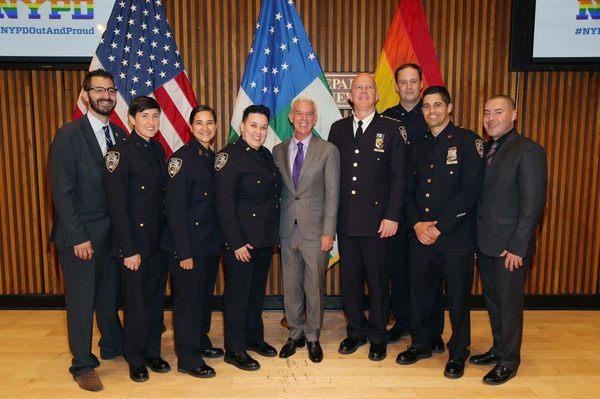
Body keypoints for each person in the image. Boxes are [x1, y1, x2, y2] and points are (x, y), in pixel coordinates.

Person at [396, 86, 484, 379]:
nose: (431, 111)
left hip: (454, 237)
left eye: (437, 105)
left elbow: (470, 191)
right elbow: (406, 192)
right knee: (421, 294)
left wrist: (440, 226)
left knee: (457, 299)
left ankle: (458, 351)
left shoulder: (468, 141)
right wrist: (417, 224)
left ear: (449, 108)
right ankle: (421, 342)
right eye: (426, 106)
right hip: (420, 235)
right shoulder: (417, 146)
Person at [49, 69, 124, 392]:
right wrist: (78, 236)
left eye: (110, 90)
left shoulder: (120, 135)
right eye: (98, 90)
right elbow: (61, 191)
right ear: (85, 95)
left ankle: (112, 346)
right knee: (81, 303)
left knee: (108, 297)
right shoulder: (69, 135)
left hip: (112, 236)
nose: (105, 95)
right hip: (80, 237)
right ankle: (82, 362)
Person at [328, 73, 406, 361]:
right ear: (350, 96)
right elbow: (331, 177)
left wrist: (392, 215)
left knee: (377, 281)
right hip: (346, 220)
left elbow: (399, 179)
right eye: (358, 88)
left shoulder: (391, 129)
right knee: (349, 281)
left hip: (378, 223)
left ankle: (377, 335)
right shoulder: (337, 129)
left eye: (368, 88)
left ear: (376, 95)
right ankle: (356, 332)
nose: (363, 92)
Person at [471, 95, 547, 385]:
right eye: (487, 113)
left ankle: (509, 361)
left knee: (509, 305)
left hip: (509, 249)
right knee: (493, 302)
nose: (491, 118)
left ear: (513, 115)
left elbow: (533, 204)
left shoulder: (528, 150)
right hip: (487, 243)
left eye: (498, 112)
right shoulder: (488, 148)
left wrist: (518, 245)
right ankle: (498, 348)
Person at [104, 96, 169, 383]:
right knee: (135, 303)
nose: (151, 122)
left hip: (156, 243)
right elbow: (117, 207)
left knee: (155, 301)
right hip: (133, 246)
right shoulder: (119, 153)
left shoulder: (157, 149)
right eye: (145, 116)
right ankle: (136, 357)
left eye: (155, 116)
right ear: (131, 119)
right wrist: (129, 249)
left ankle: (153, 352)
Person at [214, 104, 282, 371]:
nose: (258, 131)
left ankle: (254, 339)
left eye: (263, 127)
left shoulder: (265, 154)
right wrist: (236, 242)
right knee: (238, 296)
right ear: (241, 127)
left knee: (255, 295)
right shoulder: (228, 156)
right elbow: (223, 205)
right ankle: (235, 349)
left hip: (263, 240)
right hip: (241, 242)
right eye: (253, 126)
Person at [382, 63, 445, 350]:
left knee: (430, 272)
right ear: (396, 87)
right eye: (403, 82)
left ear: (421, 84)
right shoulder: (386, 119)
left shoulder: (431, 115)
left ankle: (433, 330)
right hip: (397, 207)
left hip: (427, 208)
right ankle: (404, 321)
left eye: (413, 82)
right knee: (398, 269)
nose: (408, 87)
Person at [273, 98, 340, 363]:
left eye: (309, 114)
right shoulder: (277, 150)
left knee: (314, 286)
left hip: (316, 231)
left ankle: (313, 336)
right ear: (290, 117)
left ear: (315, 118)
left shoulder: (328, 150)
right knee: (290, 286)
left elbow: (333, 195)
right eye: (298, 114)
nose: (303, 118)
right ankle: (295, 332)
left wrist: (329, 233)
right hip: (287, 229)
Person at [161, 105, 223, 379]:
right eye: (199, 123)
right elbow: (174, 211)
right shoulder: (181, 160)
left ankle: (199, 341)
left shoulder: (213, 158)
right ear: (190, 126)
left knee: (203, 299)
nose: (205, 128)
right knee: (187, 302)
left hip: (209, 244)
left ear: (216, 127)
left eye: (210, 123)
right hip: (187, 247)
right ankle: (187, 357)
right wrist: (183, 252)